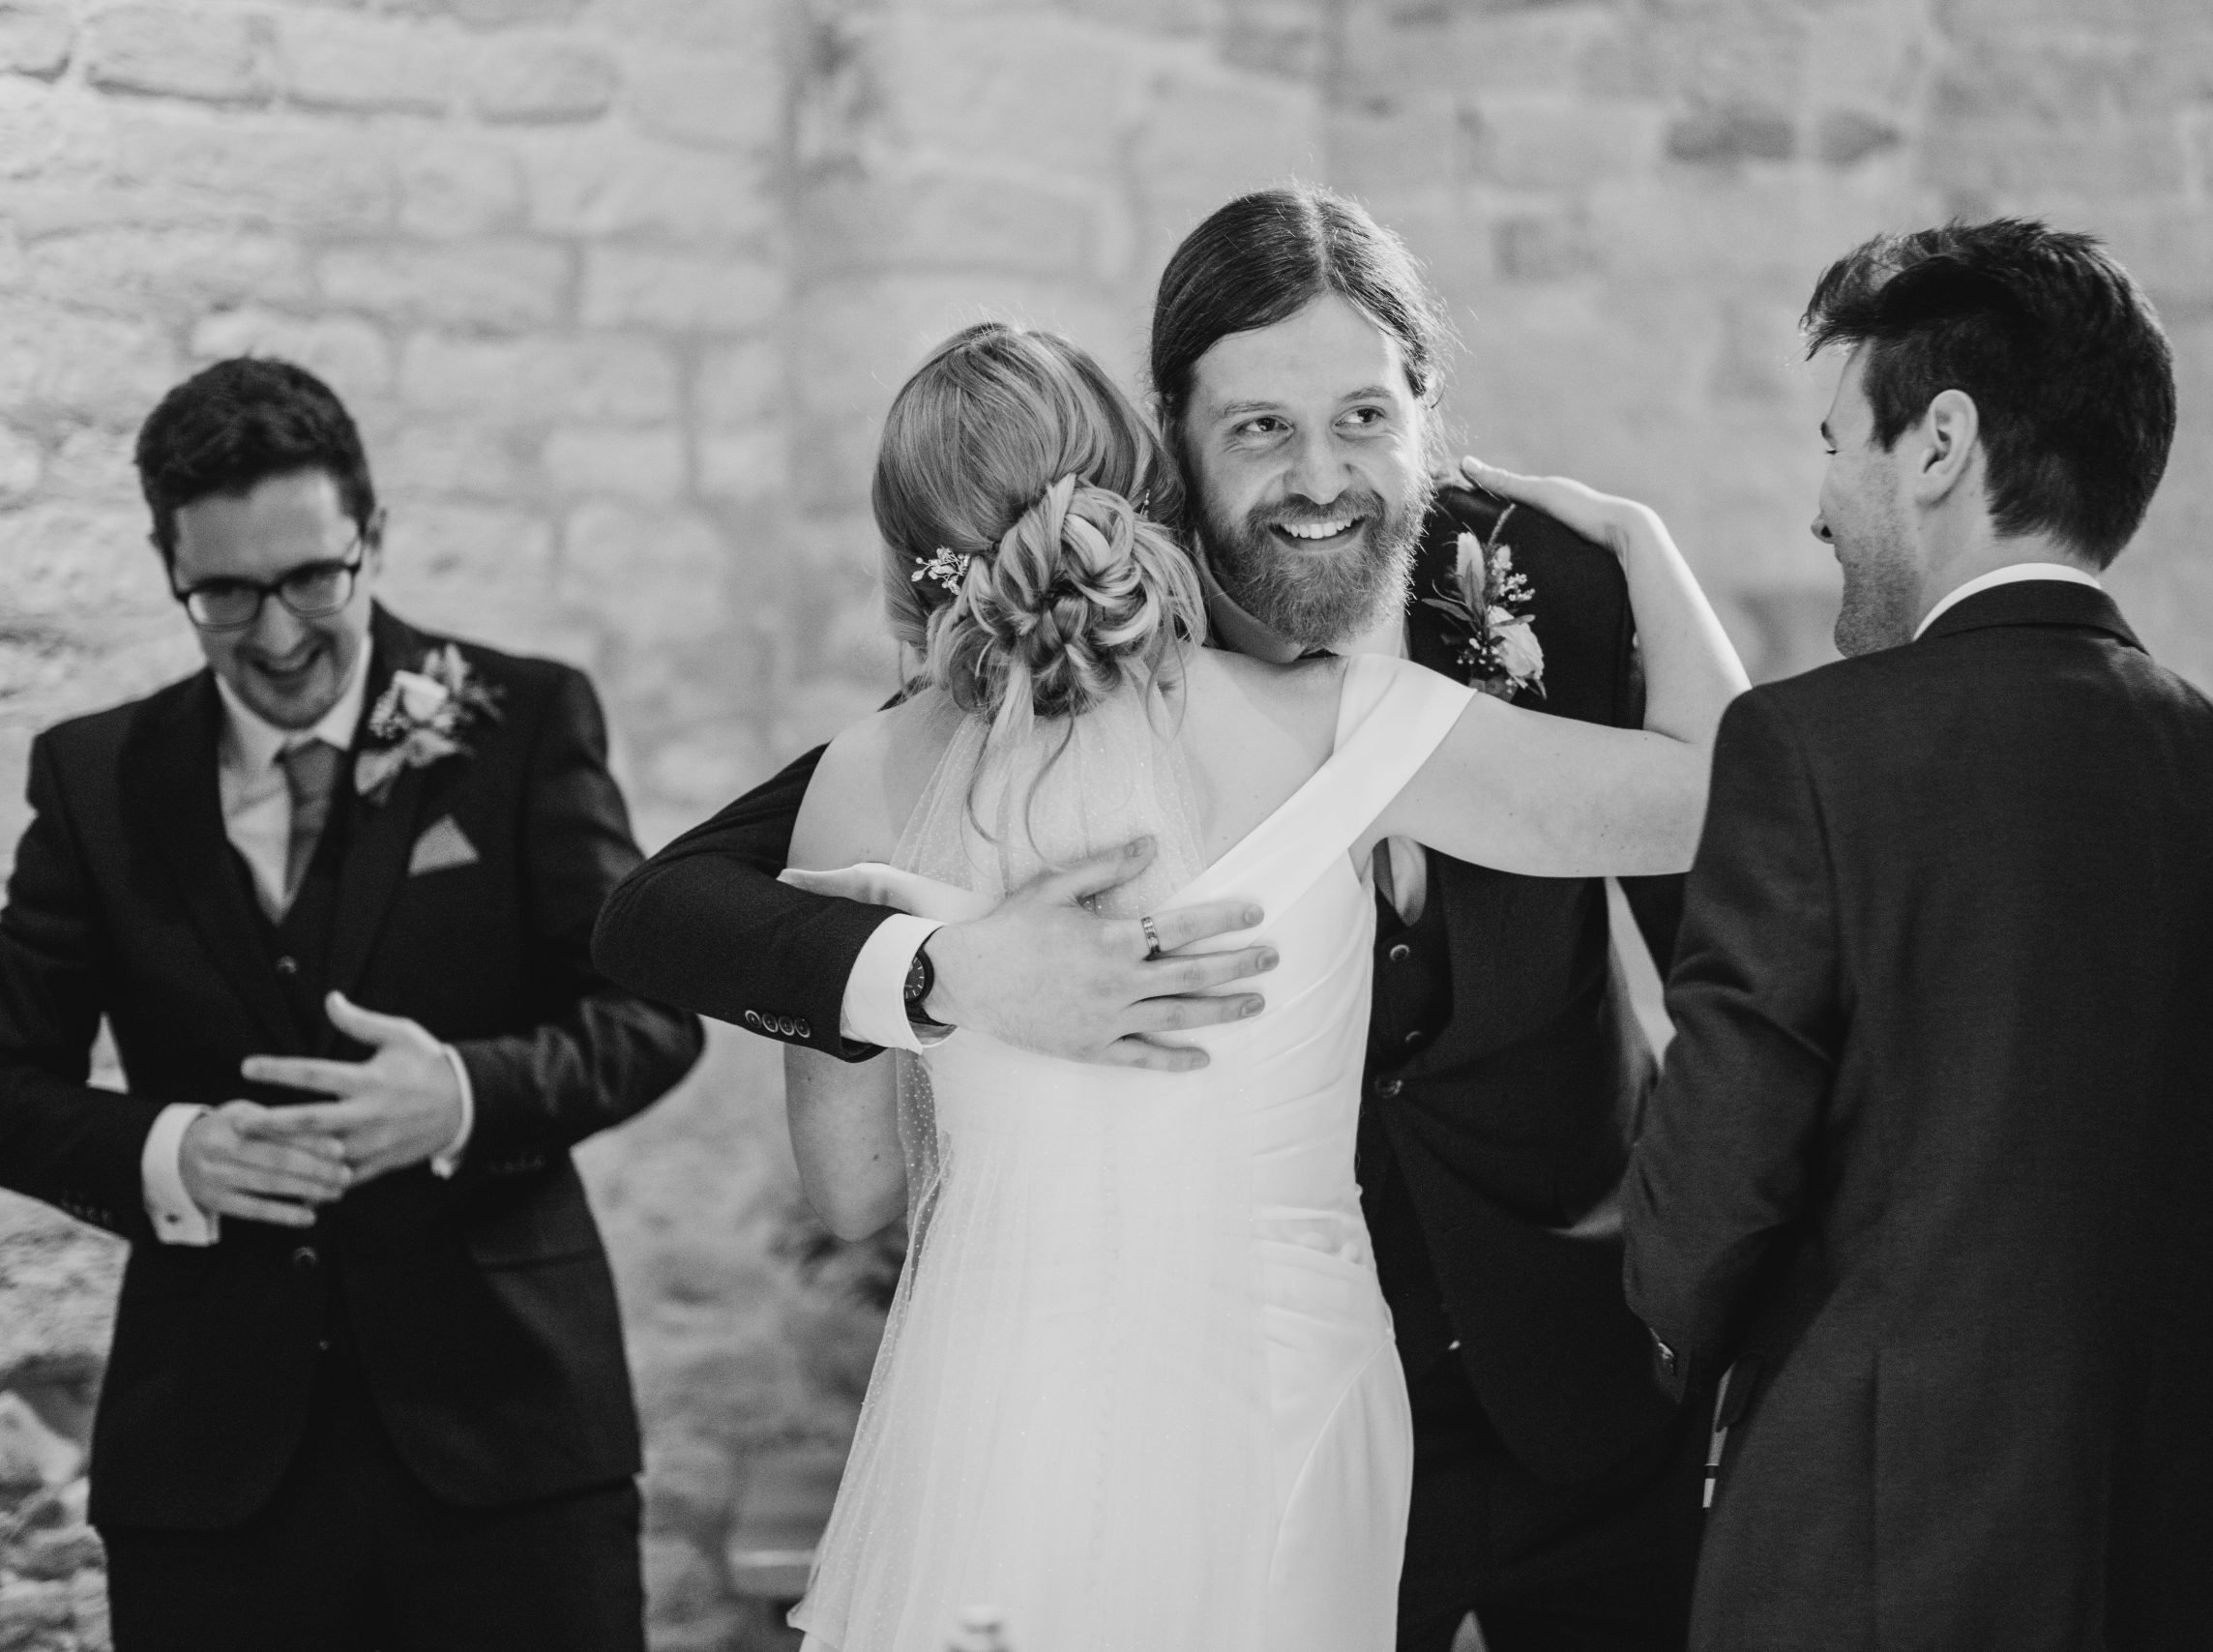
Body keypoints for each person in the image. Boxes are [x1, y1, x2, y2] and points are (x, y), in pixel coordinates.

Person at [594, 187, 1737, 1649]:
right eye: (1261, 426)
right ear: (1162, 461)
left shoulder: (869, 786)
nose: (1320, 473)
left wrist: (910, 978)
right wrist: (949, 971)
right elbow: (657, 910)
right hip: (1291, 1390)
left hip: (1059, 1409)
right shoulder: (1326, 721)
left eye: (1364, 419)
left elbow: (858, 1191)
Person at [1618, 220, 2213, 1650]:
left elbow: (1688, 1246)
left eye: (1834, 442)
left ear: (1938, 444)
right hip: (2186, 1581)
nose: (1820, 503)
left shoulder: (1810, 753)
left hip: (1869, 1583)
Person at [0, 358, 706, 1652]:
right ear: (171, 571)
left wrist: (461, 1095)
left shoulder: (524, 723)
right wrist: (174, 1155)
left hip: (510, 1450)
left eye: (311, 581)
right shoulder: (96, 780)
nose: (275, 637)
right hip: (212, 1478)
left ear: (371, 538)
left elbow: (651, 1014)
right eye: (224, 595)